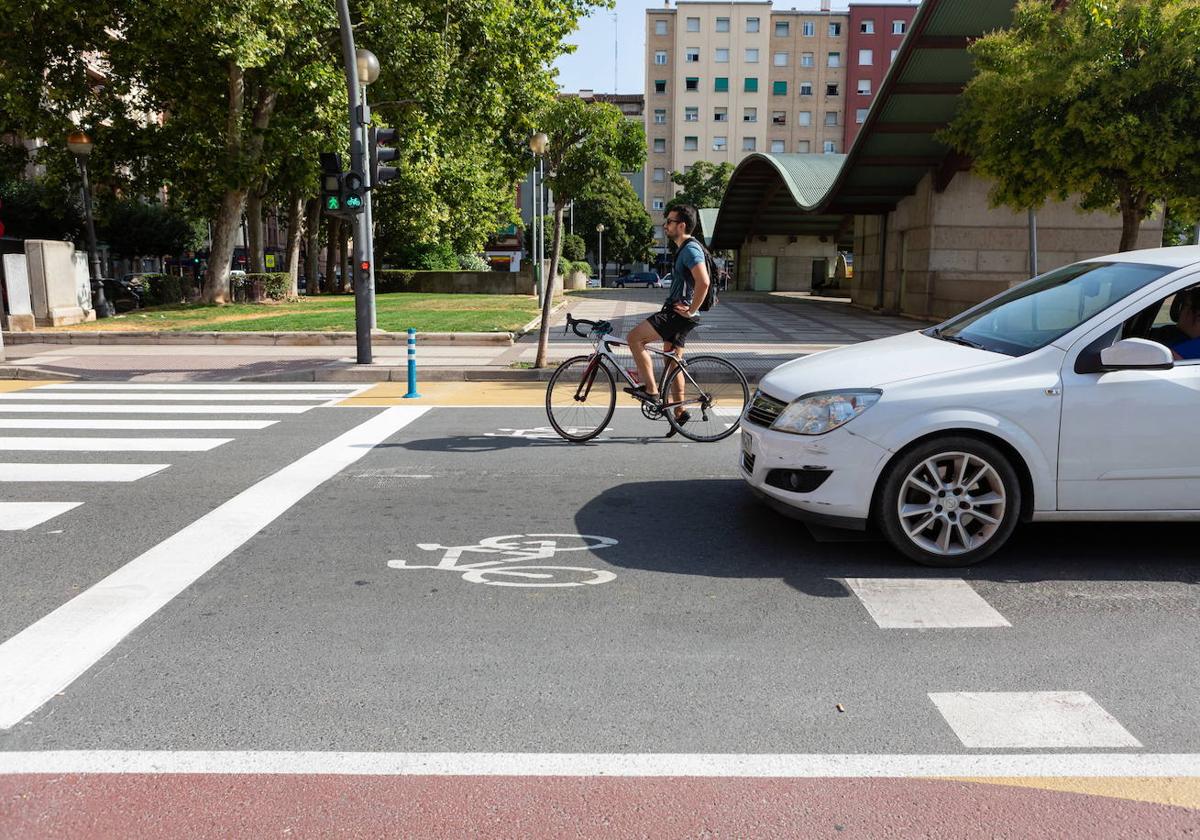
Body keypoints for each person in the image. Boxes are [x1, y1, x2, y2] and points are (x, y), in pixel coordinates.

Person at [624, 204, 711, 436]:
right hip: (681, 314)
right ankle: (680, 412)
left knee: (634, 338)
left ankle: (651, 391)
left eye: (670, 222)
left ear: (681, 226)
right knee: (673, 363)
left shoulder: (691, 250)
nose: (665, 225)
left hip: (678, 313)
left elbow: (704, 282)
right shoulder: (685, 249)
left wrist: (692, 310)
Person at [1149, 287, 1200, 360]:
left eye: (1185, 305)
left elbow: (1160, 359)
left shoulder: (1195, 347)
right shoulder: (1181, 337)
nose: (1180, 310)